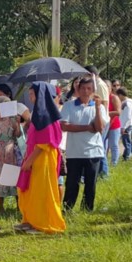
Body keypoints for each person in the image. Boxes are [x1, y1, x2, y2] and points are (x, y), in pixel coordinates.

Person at [16, 83, 66, 234]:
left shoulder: (47, 116)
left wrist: (29, 161)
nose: (30, 97)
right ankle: (30, 220)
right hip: (33, 156)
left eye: (32, 94)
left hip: (43, 159)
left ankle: (42, 222)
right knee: (30, 189)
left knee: (41, 191)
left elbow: (44, 143)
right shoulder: (37, 114)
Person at [59, 75, 106, 212]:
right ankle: (68, 208)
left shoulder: (99, 107)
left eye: (89, 88)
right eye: (83, 88)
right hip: (74, 152)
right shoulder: (69, 106)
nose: (86, 91)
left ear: (93, 90)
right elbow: (64, 126)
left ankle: (87, 209)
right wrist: (86, 127)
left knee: (91, 183)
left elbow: (99, 128)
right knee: (72, 183)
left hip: (94, 151)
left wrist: (97, 108)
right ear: (78, 89)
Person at [0, 84, 25, 206]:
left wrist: (18, 124)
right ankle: (0, 206)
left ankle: (19, 205)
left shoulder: (12, 119)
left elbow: (18, 135)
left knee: (14, 177)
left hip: (11, 152)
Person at [118, 87, 132, 158]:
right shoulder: (124, 103)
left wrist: (124, 127)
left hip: (127, 125)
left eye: (118, 95)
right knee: (128, 140)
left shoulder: (127, 103)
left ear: (121, 95)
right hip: (125, 125)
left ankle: (126, 157)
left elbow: (128, 116)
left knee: (126, 142)